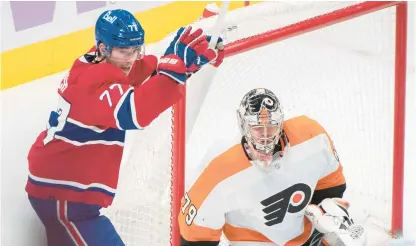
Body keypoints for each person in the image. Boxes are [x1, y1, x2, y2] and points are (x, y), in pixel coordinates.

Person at [25, 9, 224, 246]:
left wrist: (183, 65)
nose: (131, 58)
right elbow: (134, 114)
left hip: (67, 192)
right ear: (102, 48)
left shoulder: (102, 62)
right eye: (123, 51)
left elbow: (148, 70)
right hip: (64, 197)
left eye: (135, 50)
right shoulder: (92, 82)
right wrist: (174, 70)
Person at [178, 88, 367, 246]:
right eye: (258, 128)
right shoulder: (219, 168)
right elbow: (195, 236)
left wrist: (323, 212)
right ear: (243, 126)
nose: (266, 136)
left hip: (304, 239)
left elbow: (332, 184)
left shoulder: (311, 137)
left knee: (348, 235)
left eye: (272, 126)